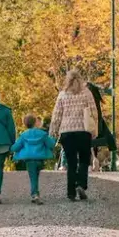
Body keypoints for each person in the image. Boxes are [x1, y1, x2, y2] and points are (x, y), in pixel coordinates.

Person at [50, 69, 97, 201]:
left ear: (67, 80)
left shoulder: (62, 94)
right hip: (83, 131)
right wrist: (94, 131)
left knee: (71, 163)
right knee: (83, 160)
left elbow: (56, 115)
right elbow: (93, 112)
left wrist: (53, 131)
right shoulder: (87, 93)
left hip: (67, 133)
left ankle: (71, 193)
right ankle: (81, 184)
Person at [11, 114, 57, 204]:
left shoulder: (23, 135)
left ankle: (34, 194)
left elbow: (15, 147)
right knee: (36, 175)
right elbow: (51, 144)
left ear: (25, 124)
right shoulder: (42, 134)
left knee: (33, 177)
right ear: (35, 123)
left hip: (29, 160)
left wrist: (10, 148)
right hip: (40, 159)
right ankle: (36, 193)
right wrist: (54, 138)